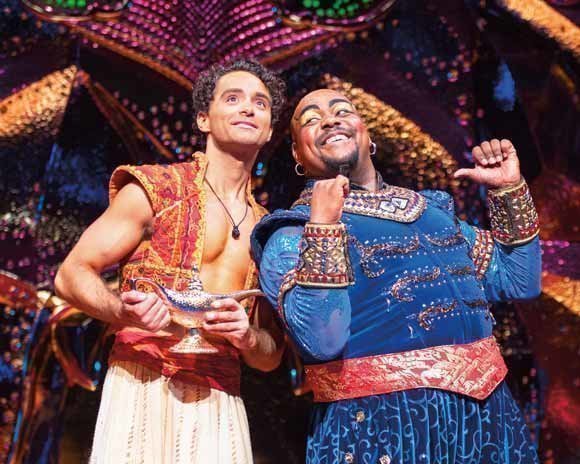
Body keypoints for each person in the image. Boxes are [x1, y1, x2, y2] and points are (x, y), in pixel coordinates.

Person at [251, 89, 541, 463]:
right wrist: (323, 226)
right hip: (383, 430)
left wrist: (508, 190)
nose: (330, 120)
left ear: (367, 134)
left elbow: (519, 281)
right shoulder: (291, 233)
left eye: (343, 111)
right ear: (297, 154)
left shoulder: (433, 211)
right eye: (311, 119)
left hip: (489, 422)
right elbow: (321, 341)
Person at [55, 60, 286, 464]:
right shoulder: (156, 191)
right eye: (233, 99)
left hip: (218, 402)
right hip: (140, 386)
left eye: (260, 103)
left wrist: (248, 338)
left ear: (268, 130)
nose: (248, 108)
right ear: (203, 119)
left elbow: (271, 356)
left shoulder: (269, 232)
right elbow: (70, 274)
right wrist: (121, 311)